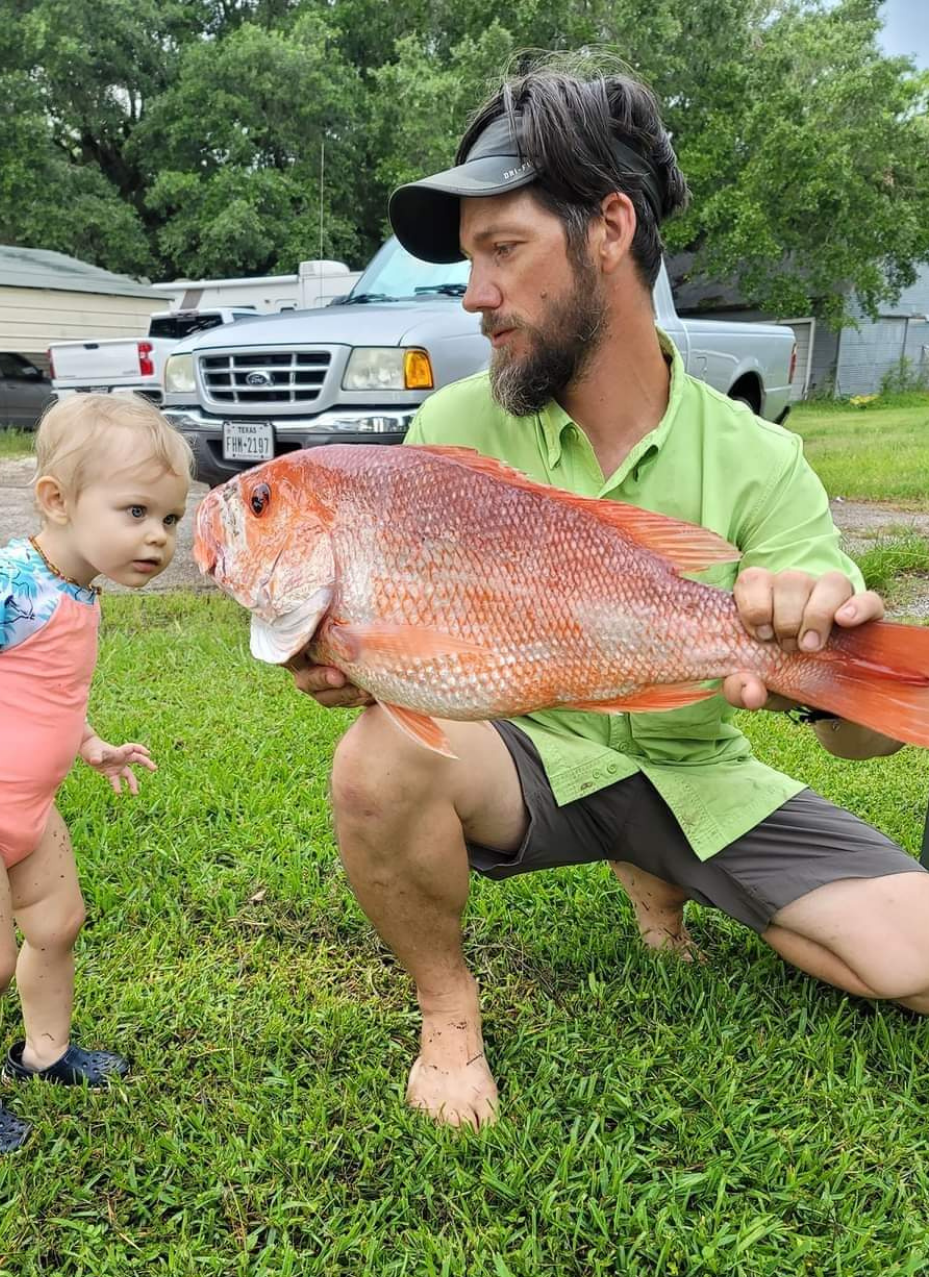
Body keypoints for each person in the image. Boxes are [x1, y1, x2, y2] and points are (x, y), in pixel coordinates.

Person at [288, 64, 929, 1129]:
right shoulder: (445, 434)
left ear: (609, 230)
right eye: (469, 259)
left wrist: (823, 659)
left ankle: (660, 868)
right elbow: (400, 658)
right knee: (378, 757)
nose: (473, 293)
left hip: (698, 769)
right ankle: (448, 1012)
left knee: (909, 964)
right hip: (530, 760)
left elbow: (861, 742)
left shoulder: (759, 459)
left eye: (503, 251)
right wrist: (356, 660)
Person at [0, 394, 192, 1152]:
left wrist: (88, 744)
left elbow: (39, 692)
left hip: (30, 810)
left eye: (170, 519)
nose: (158, 537)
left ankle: (43, 1054)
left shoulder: (74, 587)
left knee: (58, 926)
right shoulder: (7, 585)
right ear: (58, 500)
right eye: (137, 511)